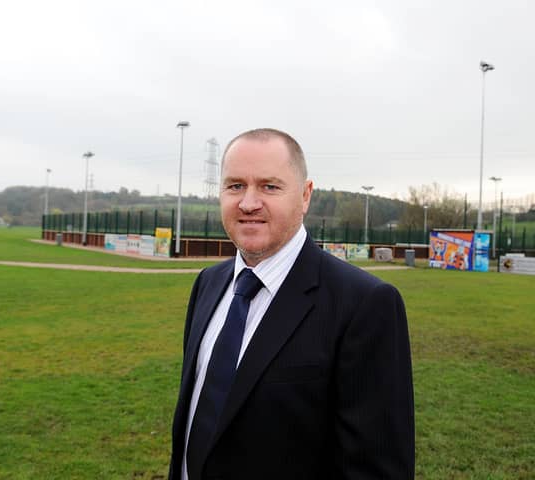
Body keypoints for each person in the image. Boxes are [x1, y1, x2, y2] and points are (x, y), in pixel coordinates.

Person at [168, 128, 414, 479]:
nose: (249, 202)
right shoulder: (208, 283)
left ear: (304, 196)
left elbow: (377, 469)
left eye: (269, 186)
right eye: (235, 185)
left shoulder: (365, 305)